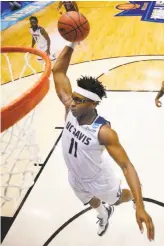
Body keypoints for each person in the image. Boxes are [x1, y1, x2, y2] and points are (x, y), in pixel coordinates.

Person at [52, 42, 154, 240]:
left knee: (117, 199)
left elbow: (126, 165)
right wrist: (72, 42)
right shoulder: (69, 109)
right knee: (91, 201)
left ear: (93, 104)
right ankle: (103, 214)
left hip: (99, 179)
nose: (72, 103)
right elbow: (57, 72)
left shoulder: (104, 132)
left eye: (79, 100)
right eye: (73, 97)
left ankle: (132, 197)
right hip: (75, 175)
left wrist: (140, 206)